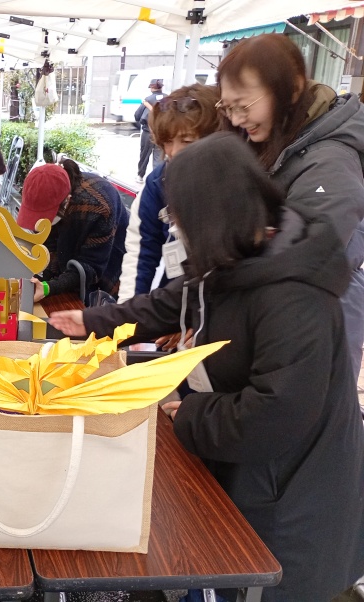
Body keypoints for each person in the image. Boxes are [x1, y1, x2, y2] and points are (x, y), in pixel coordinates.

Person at [50, 132, 364, 602]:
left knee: (252, 582)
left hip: (289, 500)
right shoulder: (241, 255)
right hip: (248, 471)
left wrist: (192, 413)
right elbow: (173, 301)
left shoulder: (292, 294)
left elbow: (277, 412)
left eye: (180, 213)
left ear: (211, 213)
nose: (176, 224)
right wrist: (94, 322)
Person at [216, 33, 364, 379]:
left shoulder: (328, 162)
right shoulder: (284, 144)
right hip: (283, 318)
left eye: (244, 106)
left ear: (292, 89)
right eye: (228, 107)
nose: (236, 120)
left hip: (313, 326)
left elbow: (300, 260)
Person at [118, 83, 221, 303]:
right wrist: (127, 315)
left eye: (187, 141)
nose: (173, 152)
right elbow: (140, 252)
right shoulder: (158, 182)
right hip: (176, 300)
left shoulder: (235, 184)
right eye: (167, 142)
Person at [18, 162, 128, 303]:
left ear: (67, 201)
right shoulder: (47, 192)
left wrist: (48, 287)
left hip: (109, 258)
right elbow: (48, 242)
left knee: (92, 304)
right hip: (73, 226)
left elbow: (90, 267)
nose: (38, 225)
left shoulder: (98, 207)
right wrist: (41, 278)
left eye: (44, 217)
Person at [135, 78, 165, 182]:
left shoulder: (147, 100)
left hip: (148, 132)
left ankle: (140, 175)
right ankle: (157, 178)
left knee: (144, 154)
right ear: (161, 87)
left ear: (152, 88)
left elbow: (137, 115)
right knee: (159, 156)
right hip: (161, 132)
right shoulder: (168, 99)